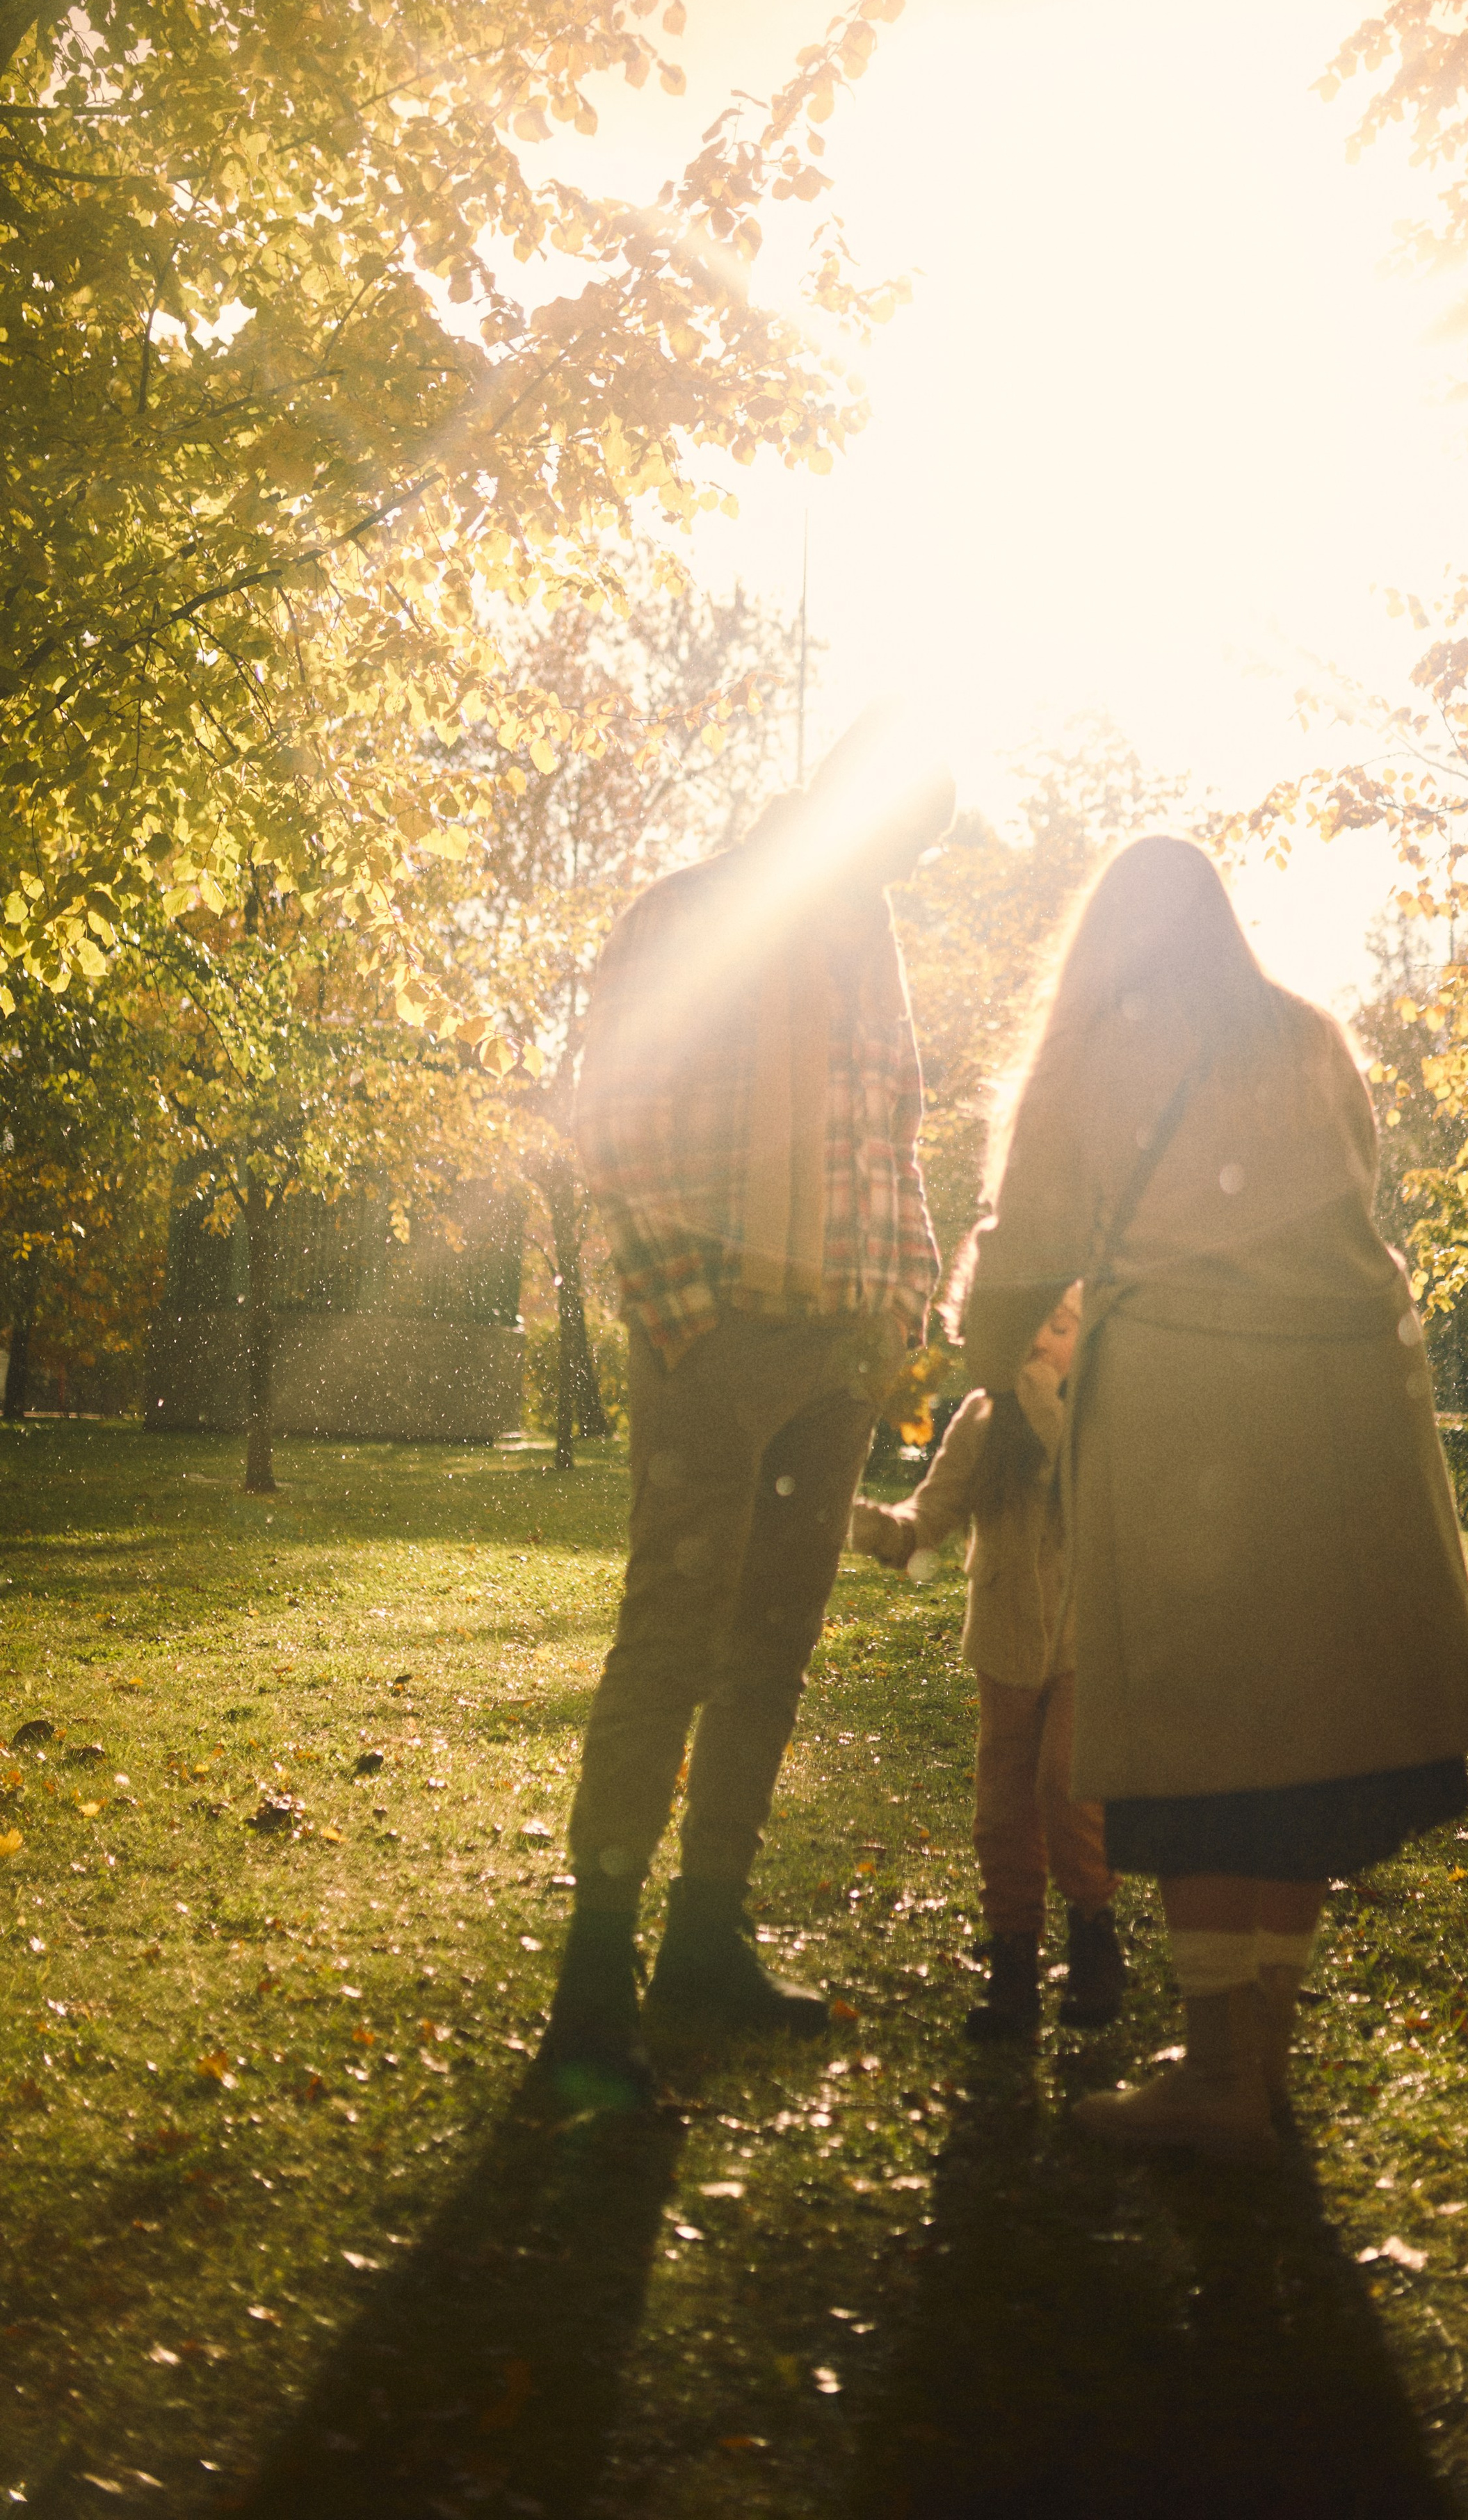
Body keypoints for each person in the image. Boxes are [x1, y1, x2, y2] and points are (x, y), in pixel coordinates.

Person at [954, 837, 1468, 2162]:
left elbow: (1021, 1256)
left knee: (1200, 1745)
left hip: (1188, 1422)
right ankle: (1260, 2056)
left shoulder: (1086, 1051)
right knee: (1297, 1741)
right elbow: (1356, 1188)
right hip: (1345, 1412)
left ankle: (1214, 2070)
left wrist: (989, 1358)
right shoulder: (1307, 1036)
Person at [541, 711, 954, 2107]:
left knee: (770, 1644)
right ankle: (594, 1974)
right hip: (713, 1340)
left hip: (835, 1352)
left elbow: (888, 1133)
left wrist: (904, 1308)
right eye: (889, 836)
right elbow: (611, 1118)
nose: (896, 867)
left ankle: (704, 1939)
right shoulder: (692, 916)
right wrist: (687, 1316)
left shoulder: (869, 944)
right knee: (668, 1632)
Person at [850, 1284, 1125, 2040]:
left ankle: (1094, 1932)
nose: (1043, 1342)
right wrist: (877, 1530)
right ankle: (1013, 1955)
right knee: (1004, 1801)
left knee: (1067, 1785)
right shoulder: (980, 1417)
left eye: (1063, 1327)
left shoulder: (1103, 1412)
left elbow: (1106, 1501)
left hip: (1081, 1643)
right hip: (1003, 1643)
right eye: (1030, 1327)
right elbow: (929, 1518)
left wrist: (1043, 1406)